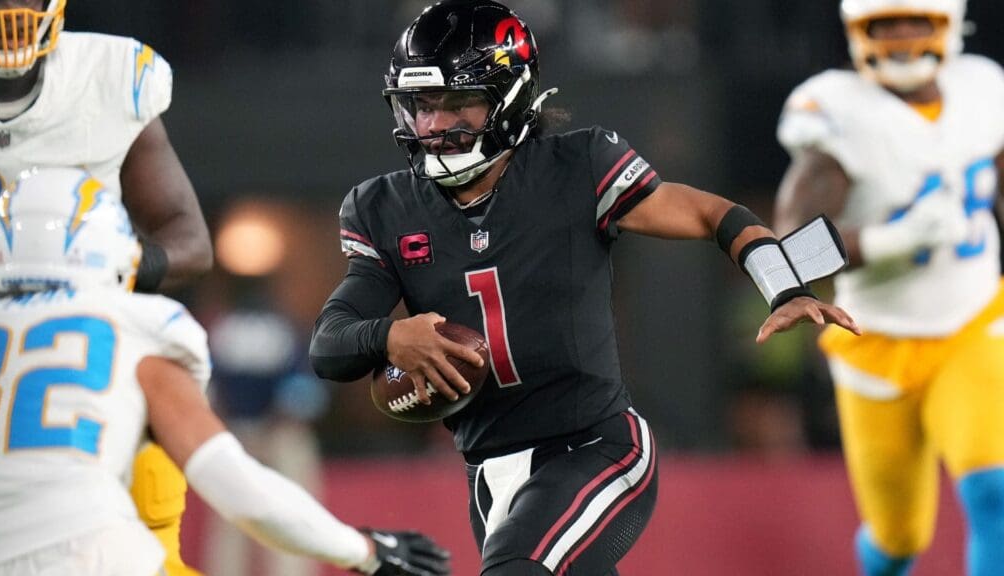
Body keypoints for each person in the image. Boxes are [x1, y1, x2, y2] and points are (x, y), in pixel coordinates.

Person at [310, 1, 859, 574]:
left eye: (457, 104)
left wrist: (783, 285)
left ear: (509, 97)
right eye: (422, 106)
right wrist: (389, 336)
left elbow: (709, 214)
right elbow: (330, 345)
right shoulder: (383, 207)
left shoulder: (578, 165)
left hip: (595, 447)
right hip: (490, 472)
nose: (434, 125)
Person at [0, 166, 451, 576]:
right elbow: (232, 481)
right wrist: (365, 550)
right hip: (92, 553)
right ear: (110, 246)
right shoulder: (133, 329)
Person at [0, 2, 212, 573]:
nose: (5, 10)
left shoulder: (106, 78)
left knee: (152, 517)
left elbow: (191, 243)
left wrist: (96, 269)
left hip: (92, 368)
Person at [773, 1, 1004, 574]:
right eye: (885, 25)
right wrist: (888, 240)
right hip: (873, 340)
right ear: (858, 32)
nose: (901, 38)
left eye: (916, 22)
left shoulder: (983, 88)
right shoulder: (840, 111)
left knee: (994, 492)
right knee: (899, 536)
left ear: (948, 25)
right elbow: (787, 255)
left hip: (973, 323)